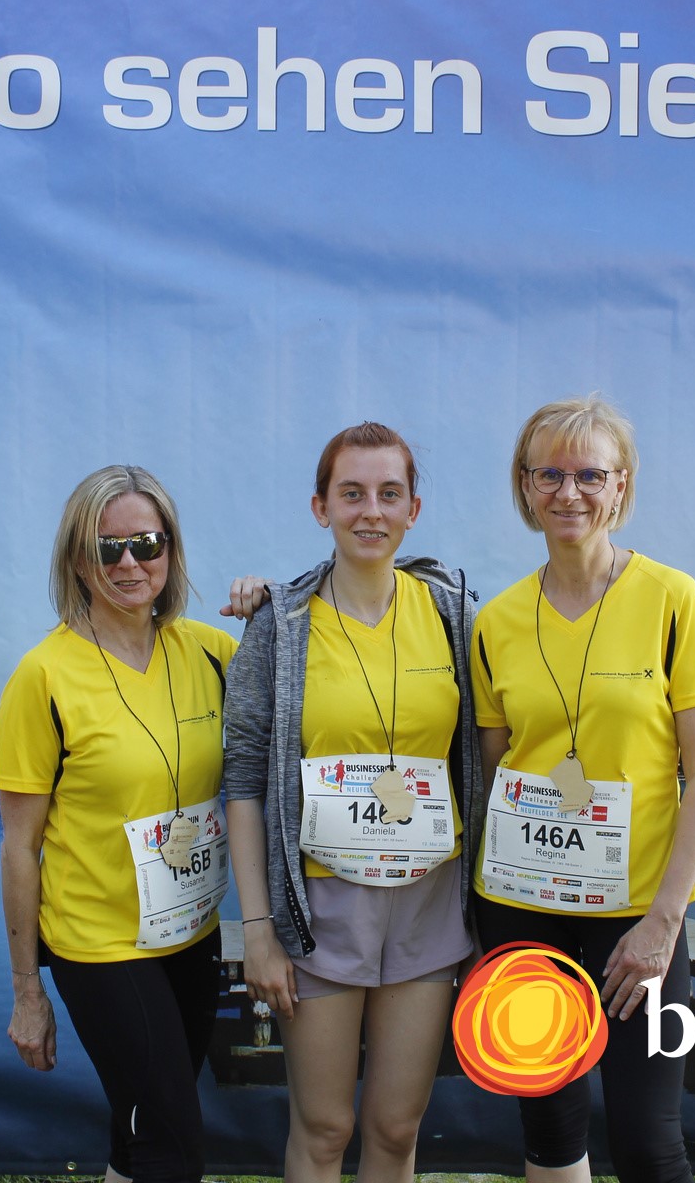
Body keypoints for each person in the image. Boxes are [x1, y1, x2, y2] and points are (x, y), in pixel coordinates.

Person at [469, 396, 695, 1183]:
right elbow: (496, 772)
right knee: (550, 1129)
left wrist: (664, 921)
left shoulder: (672, 599)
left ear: (621, 485)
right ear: (525, 486)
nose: (569, 492)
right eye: (548, 474)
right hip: (523, 909)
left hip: (637, 919)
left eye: (590, 474)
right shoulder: (495, 622)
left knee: (649, 1140)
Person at [224, 421, 481, 1183]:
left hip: (429, 903)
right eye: (352, 493)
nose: (372, 511)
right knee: (326, 1127)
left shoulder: (454, 614)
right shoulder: (279, 624)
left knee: (397, 1127)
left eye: (389, 494)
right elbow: (243, 782)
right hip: (321, 911)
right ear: (321, 508)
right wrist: (259, 931)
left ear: (413, 510)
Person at [0, 464, 237, 1183]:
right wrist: (27, 993)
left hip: (191, 931)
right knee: (171, 1144)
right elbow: (19, 849)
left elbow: (313, 686)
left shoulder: (210, 652)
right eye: (108, 548)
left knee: (138, 1133)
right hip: (100, 944)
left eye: (147, 544)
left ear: (171, 550)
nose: (130, 563)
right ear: (78, 561)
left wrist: (271, 604)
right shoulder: (43, 676)